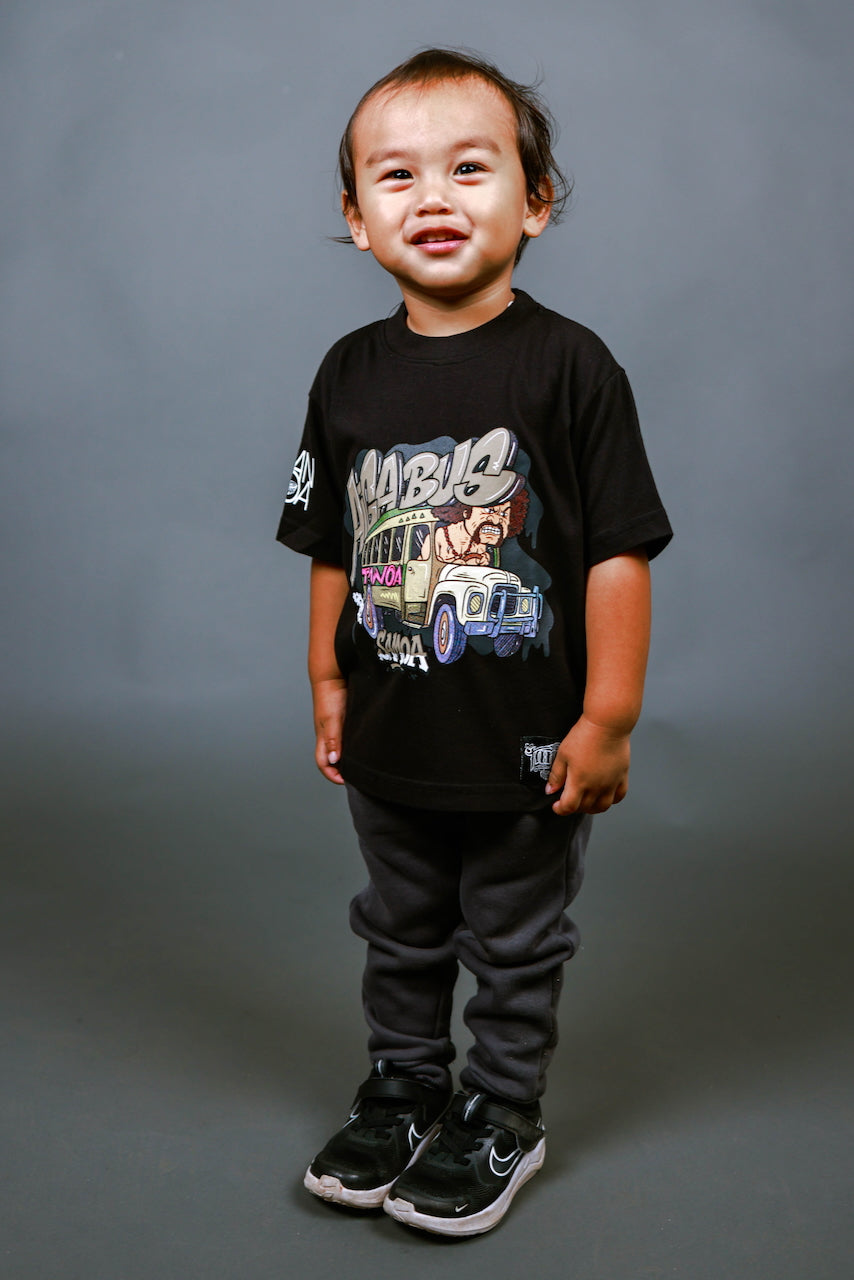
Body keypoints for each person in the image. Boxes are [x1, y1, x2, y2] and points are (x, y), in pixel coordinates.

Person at [276, 47, 672, 1237]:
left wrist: (607, 717)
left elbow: (616, 552)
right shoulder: (347, 373)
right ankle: (402, 1087)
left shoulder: (569, 366)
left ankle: (500, 1106)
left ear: (533, 202)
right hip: (392, 725)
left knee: (511, 936)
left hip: (526, 740)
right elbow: (331, 543)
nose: (432, 196)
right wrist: (325, 675)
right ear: (357, 219)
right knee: (396, 925)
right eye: (395, 175)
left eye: (468, 168)